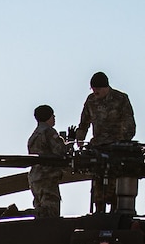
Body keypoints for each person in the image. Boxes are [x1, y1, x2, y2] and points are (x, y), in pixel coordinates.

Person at [75, 71, 137, 213]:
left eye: (97, 89)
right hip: (98, 149)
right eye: (93, 89)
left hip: (117, 150)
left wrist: (122, 143)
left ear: (105, 87)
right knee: (98, 188)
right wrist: (80, 138)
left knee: (115, 187)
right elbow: (84, 122)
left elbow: (130, 124)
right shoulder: (91, 100)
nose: (95, 92)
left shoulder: (120, 99)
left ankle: (115, 213)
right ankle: (98, 212)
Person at [27, 104, 67, 218]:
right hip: (47, 177)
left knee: (40, 211)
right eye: (52, 115)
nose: (54, 117)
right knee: (51, 212)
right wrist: (68, 142)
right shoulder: (49, 132)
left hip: (35, 178)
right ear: (48, 117)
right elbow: (61, 151)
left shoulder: (34, 136)